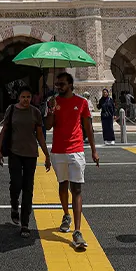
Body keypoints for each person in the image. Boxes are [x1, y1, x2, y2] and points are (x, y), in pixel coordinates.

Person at [48, 71, 99, 251]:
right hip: (58, 151)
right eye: (57, 84)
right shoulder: (54, 102)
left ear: (70, 85)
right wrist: (51, 109)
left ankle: (77, 230)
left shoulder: (81, 103)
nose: (58, 87)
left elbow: (88, 127)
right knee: (63, 185)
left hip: (76, 150)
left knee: (76, 188)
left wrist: (94, 150)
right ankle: (66, 214)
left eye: (61, 84)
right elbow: (47, 126)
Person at [0, 85, 51, 238]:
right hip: (14, 153)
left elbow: (40, 135)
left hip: (31, 154)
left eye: (28, 97)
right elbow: (4, 129)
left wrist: (47, 155)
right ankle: (14, 205)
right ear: (18, 98)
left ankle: (25, 223)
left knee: (28, 188)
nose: (26, 100)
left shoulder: (35, 112)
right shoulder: (11, 110)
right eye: (23, 97)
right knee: (16, 183)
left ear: (31, 98)